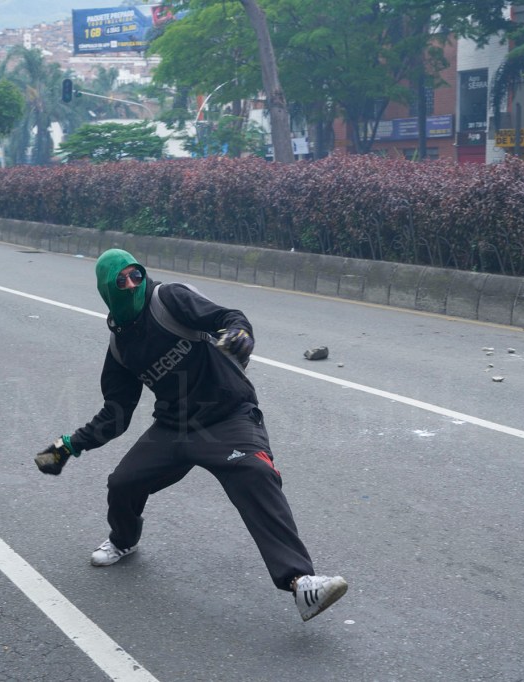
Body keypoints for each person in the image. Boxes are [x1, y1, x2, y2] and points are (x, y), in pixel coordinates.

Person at [34, 248, 347, 622]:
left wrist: (239, 333)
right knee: (122, 483)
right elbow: (115, 414)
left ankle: (301, 583)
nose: (133, 283)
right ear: (107, 290)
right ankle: (123, 540)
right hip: (173, 428)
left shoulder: (169, 300)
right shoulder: (120, 347)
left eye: (136, 273)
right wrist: (68, 445)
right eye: (122, 280)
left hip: (228, 417)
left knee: (257, 475)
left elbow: (228, 317)